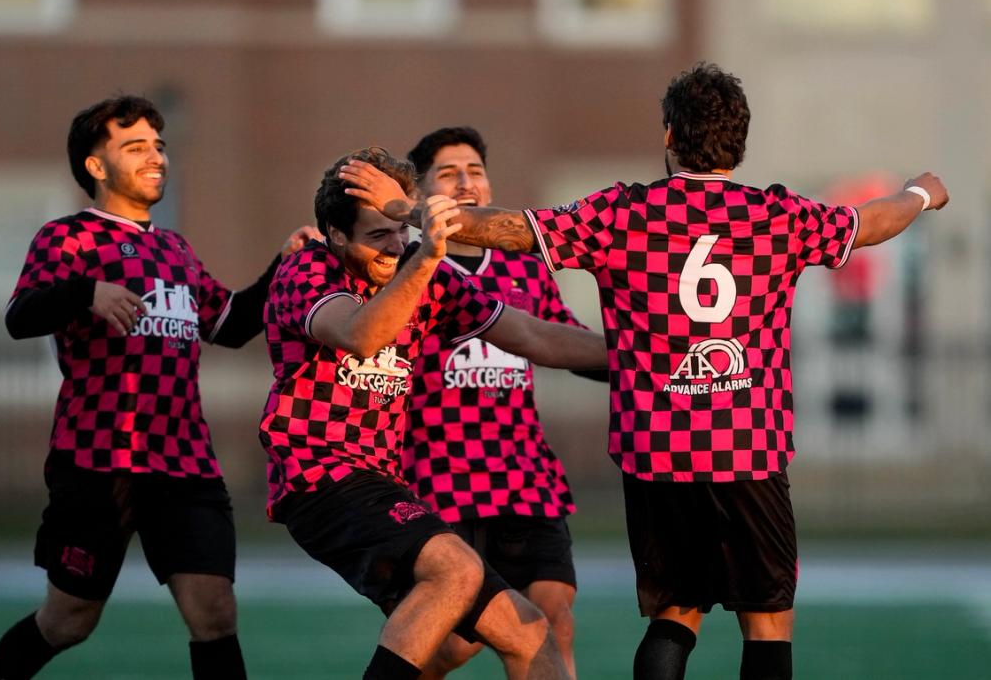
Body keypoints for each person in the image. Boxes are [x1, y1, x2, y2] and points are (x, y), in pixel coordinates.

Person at [339, 63, 949, 680]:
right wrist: (920, 193)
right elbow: (872, 222)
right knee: (767, 623)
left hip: (654, 451)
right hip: (747, 448)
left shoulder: (621, 214)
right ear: (739, 141)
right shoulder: (778, 216)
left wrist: (398, 206)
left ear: (668, 137)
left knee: (676, 613)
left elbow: (500, 228)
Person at [0, 95, 319, 680]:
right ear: (96, 165)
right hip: (98, 462)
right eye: (135, 146)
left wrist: (283, 265)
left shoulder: (176, 250)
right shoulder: (68, 238)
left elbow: (232, 324)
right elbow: (19, 316)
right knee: (69, 621)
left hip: (184, 464)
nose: (156, 156)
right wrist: (85, 292)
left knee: (214, 612)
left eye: (159, 146)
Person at [260, 146, 607, 680]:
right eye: (379, 235)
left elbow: (536, 336)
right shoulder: (307, 269)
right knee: (457, 569)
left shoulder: (429, 277)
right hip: (321, 477)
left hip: (382, 480)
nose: (396, 246)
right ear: (335, 235)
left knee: (531, 632)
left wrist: (650, 355)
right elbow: (362, 334)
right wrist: (423, 259)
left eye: (402, 232)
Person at [403, 127, 603, 678]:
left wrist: (649, 363)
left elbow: (566, 341)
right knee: (457, 642)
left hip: (523, 473)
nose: (467, 183)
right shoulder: (407, 270)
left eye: (476, 171)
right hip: (441, 476)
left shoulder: (525, 267)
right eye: (448, 174)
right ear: (419, 194)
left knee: (555, 616)